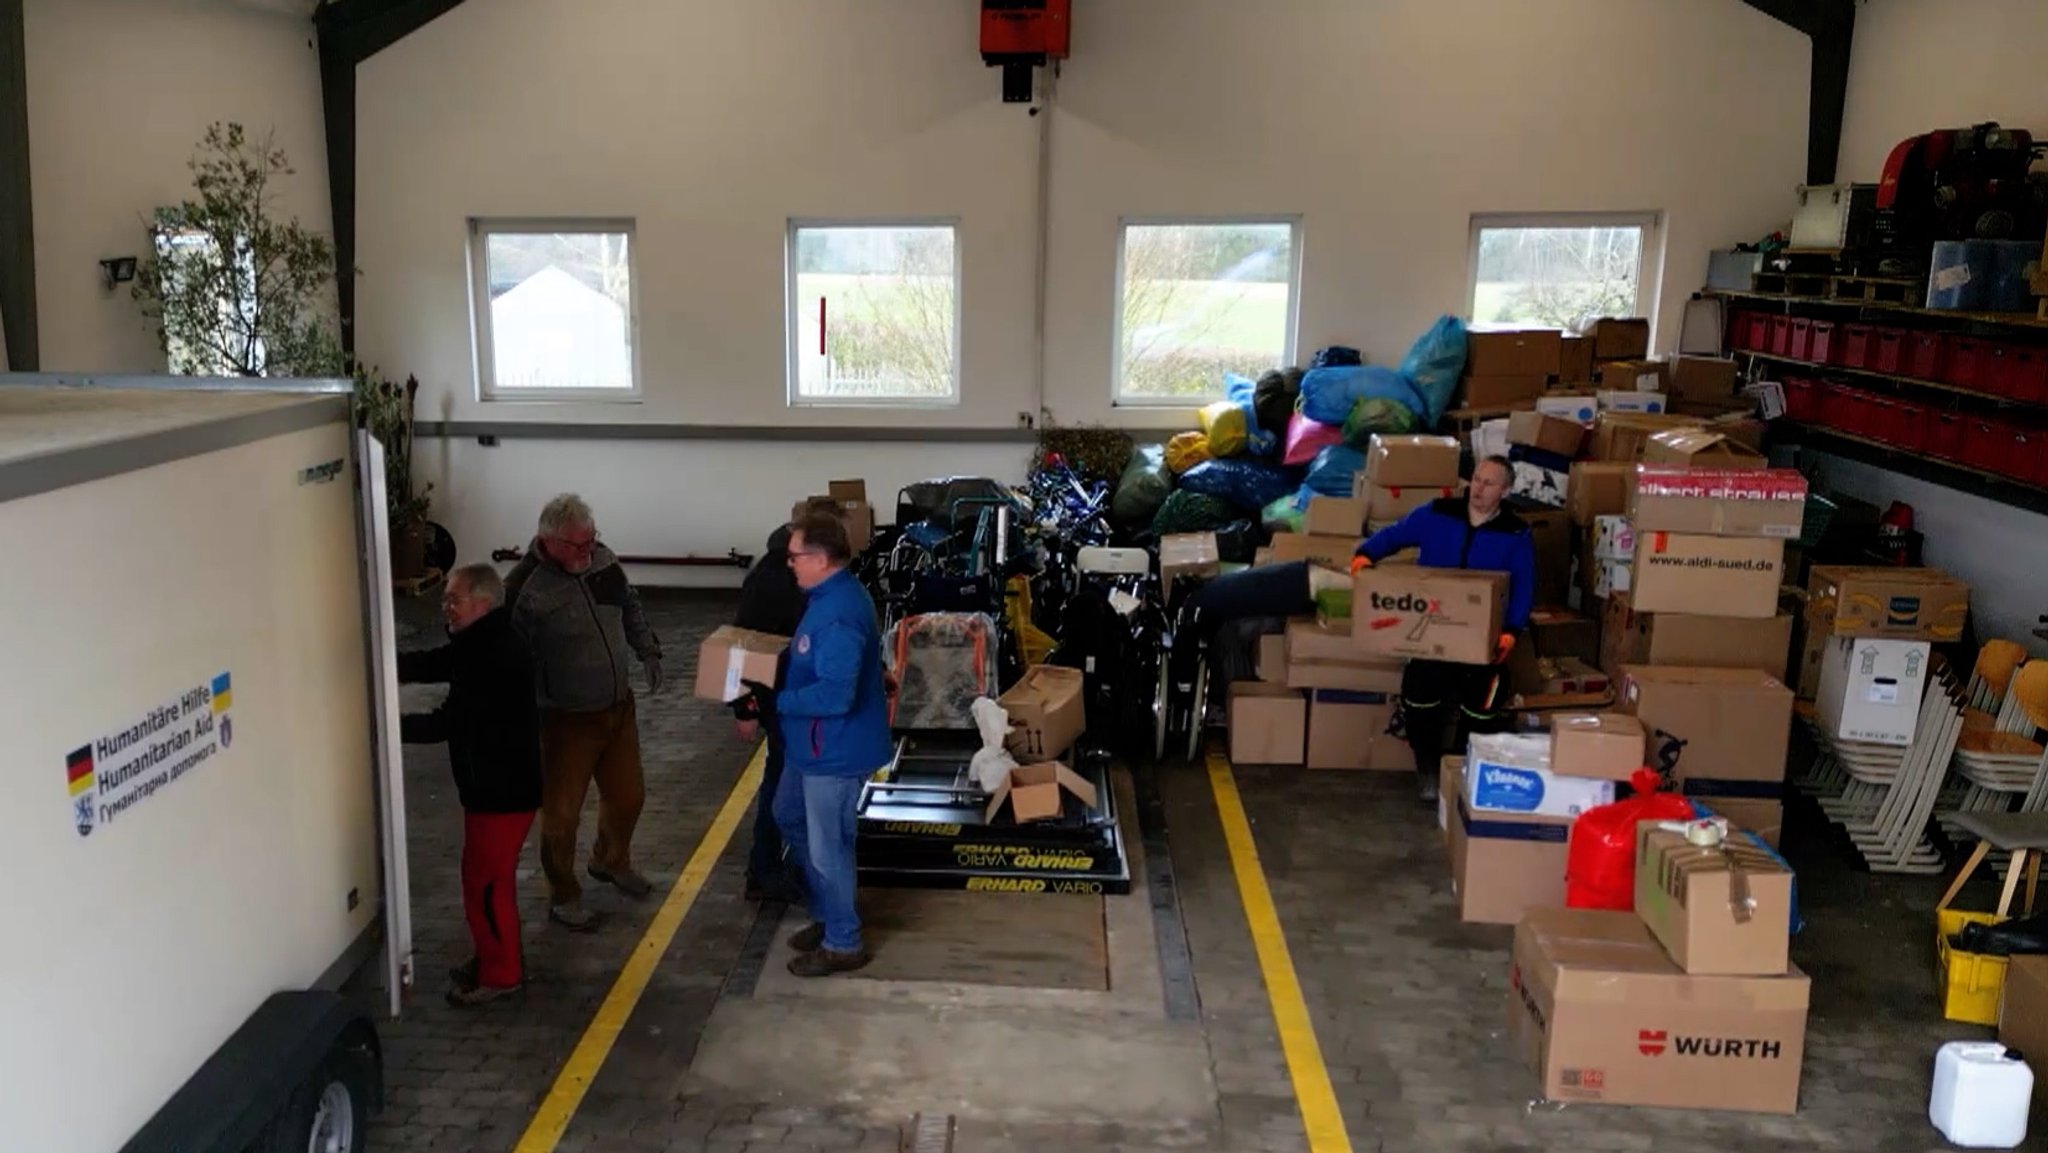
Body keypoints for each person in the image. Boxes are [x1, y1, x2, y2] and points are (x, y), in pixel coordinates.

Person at [506, 493, 665, 931]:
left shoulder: (601, 561)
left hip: (617, 709)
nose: (588, 551)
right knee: (561, 816)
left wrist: (648, 651)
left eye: (592, 540)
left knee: (629, 796)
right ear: (548, 541)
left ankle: (610, 860)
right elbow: (509, 663)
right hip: (564, 722)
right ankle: (563, 893)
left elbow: (629, 604)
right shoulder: (525, 589)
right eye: (578, 545)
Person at [397, 563, 544, 1006]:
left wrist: (386, 726)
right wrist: (385, 662)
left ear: (482, 603)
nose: (446, 607)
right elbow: (437, 661)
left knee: (486, 886)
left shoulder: (493, 655)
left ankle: (500, 975)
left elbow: (449, 722)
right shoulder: (481, 641)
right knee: (482, 880)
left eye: (453, 599)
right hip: (495, 789)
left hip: (501, 794)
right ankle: (492, 957)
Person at [1352, 454, 1534, 803]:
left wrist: (1512, 629)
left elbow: (1525, 584)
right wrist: (1366, 554)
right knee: (1419, 691)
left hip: (1481, 639)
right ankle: (1428, 768)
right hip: (1430, 631)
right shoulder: (1438, 513)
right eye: (1476, 480)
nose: (1478, 488)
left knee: (1489, 693)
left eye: (1489, 483)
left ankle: (1462, 766)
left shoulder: (1515, 532)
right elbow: (1396, 535)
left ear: (1506, 491)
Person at [761, 509, 893, 977]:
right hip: (812, 747)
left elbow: (836, 696)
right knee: (788, 816)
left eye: (794, 556)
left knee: (828, 847)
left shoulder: (837, 613)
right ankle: (828, 912)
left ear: (819, 558)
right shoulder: (825, 598)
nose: (789, 563)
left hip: (833, 751)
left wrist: (779, 699)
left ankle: (843, 940)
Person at [730, 496, 843, 904]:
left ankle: (785, 865)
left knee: (789, 784)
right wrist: (743, 706)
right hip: (780, 697)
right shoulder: (773, 578)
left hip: (800, 697)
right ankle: (764, 870)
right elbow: (738, 644)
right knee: (780, 784)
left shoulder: (806, 574)